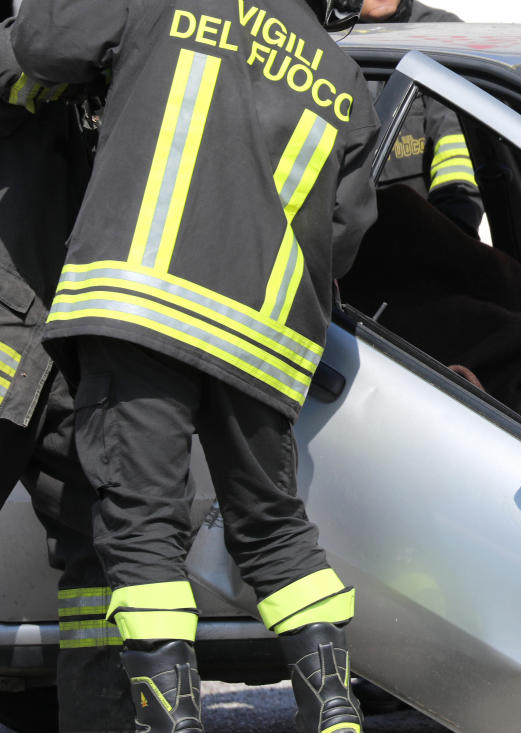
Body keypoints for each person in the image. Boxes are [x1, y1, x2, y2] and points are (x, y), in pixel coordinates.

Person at [12, 0, 379, 730]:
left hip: (145, 310)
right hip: (262, 342)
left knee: (142, 521)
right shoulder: (343, 76)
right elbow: (344, 232)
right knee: (274, 526)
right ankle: (335, 708)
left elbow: (41, 40)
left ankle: (171, 718)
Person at [0, 14, 134, 732]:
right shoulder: (45, 34)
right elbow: (31, 58)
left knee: (107, 550)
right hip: (12, 323)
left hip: (74, 337)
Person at [361, 0, 484, 238]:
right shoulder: (321, 41)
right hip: (343, 249)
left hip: (428, 237)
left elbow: (457, 149)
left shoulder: (440, 33)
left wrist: (451, 234)